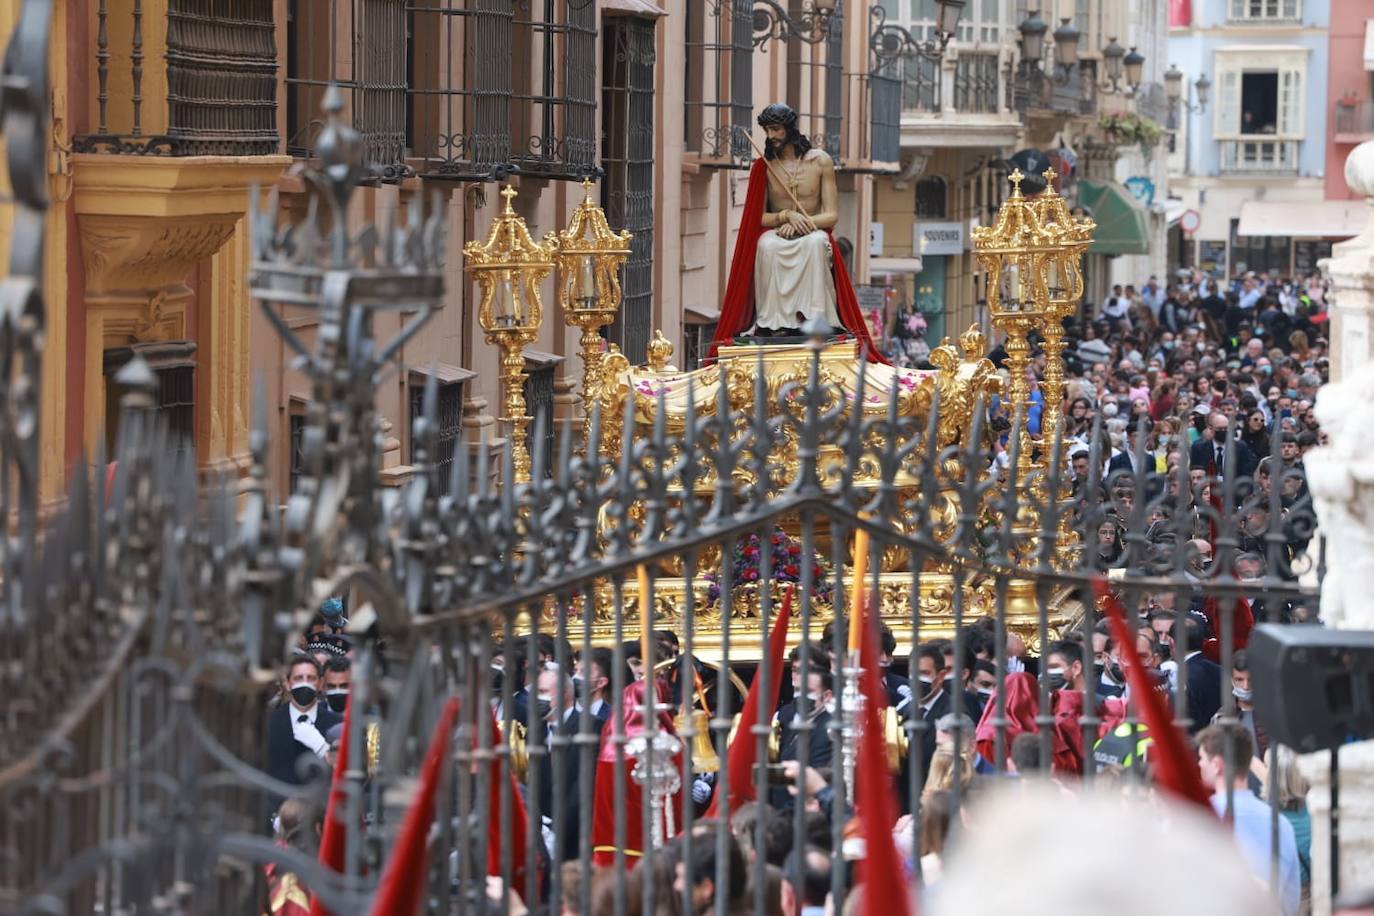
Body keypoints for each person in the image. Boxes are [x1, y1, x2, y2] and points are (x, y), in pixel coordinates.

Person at [709, 103, 883, 359]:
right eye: (767, 130)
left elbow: (831, 215)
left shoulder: (820, 161)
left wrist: (803, 223)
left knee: (815, 245)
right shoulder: (765, 167)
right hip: (779, 232)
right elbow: (757, 217)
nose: (771, 136)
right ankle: (774, 323)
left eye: (776, 129)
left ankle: (816, 320)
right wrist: (785, 216)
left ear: (790, 129)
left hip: (811, 231)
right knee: (766, 246)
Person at [1196, 725, 1301, 916]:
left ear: (1217, 765)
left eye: (1202, 758)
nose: (1199, 764)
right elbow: (1291, 902)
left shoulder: (1199, 819)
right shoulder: (1281, 824)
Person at [266, 654, 342, 799]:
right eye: (298, 678)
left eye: (311, 678)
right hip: (276, 811)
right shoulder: (270, 721)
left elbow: (345, 774)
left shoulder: (337, 723)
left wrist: (322, 747)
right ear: (288, 684)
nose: (305, 684)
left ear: (320, 684)